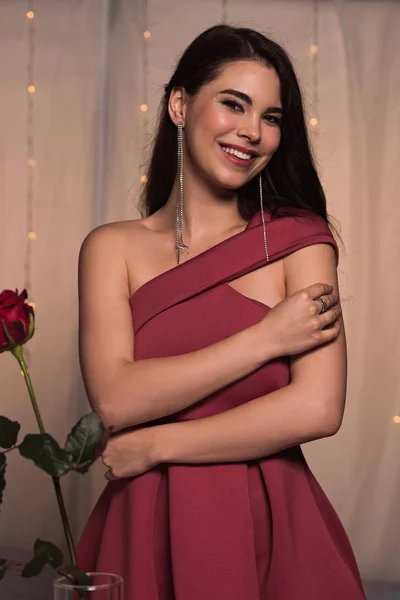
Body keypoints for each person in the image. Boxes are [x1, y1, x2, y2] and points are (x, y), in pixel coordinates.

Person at [76, 24, 366, 600]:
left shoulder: (300, 241)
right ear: (180, 105)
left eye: (272, 117)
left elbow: (317, 407)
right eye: (233, 104)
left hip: (273, 521)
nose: (252, 132)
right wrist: (265, 338)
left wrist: (159, 445)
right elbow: (116, 396)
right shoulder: (111, 248)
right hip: (144, 522)